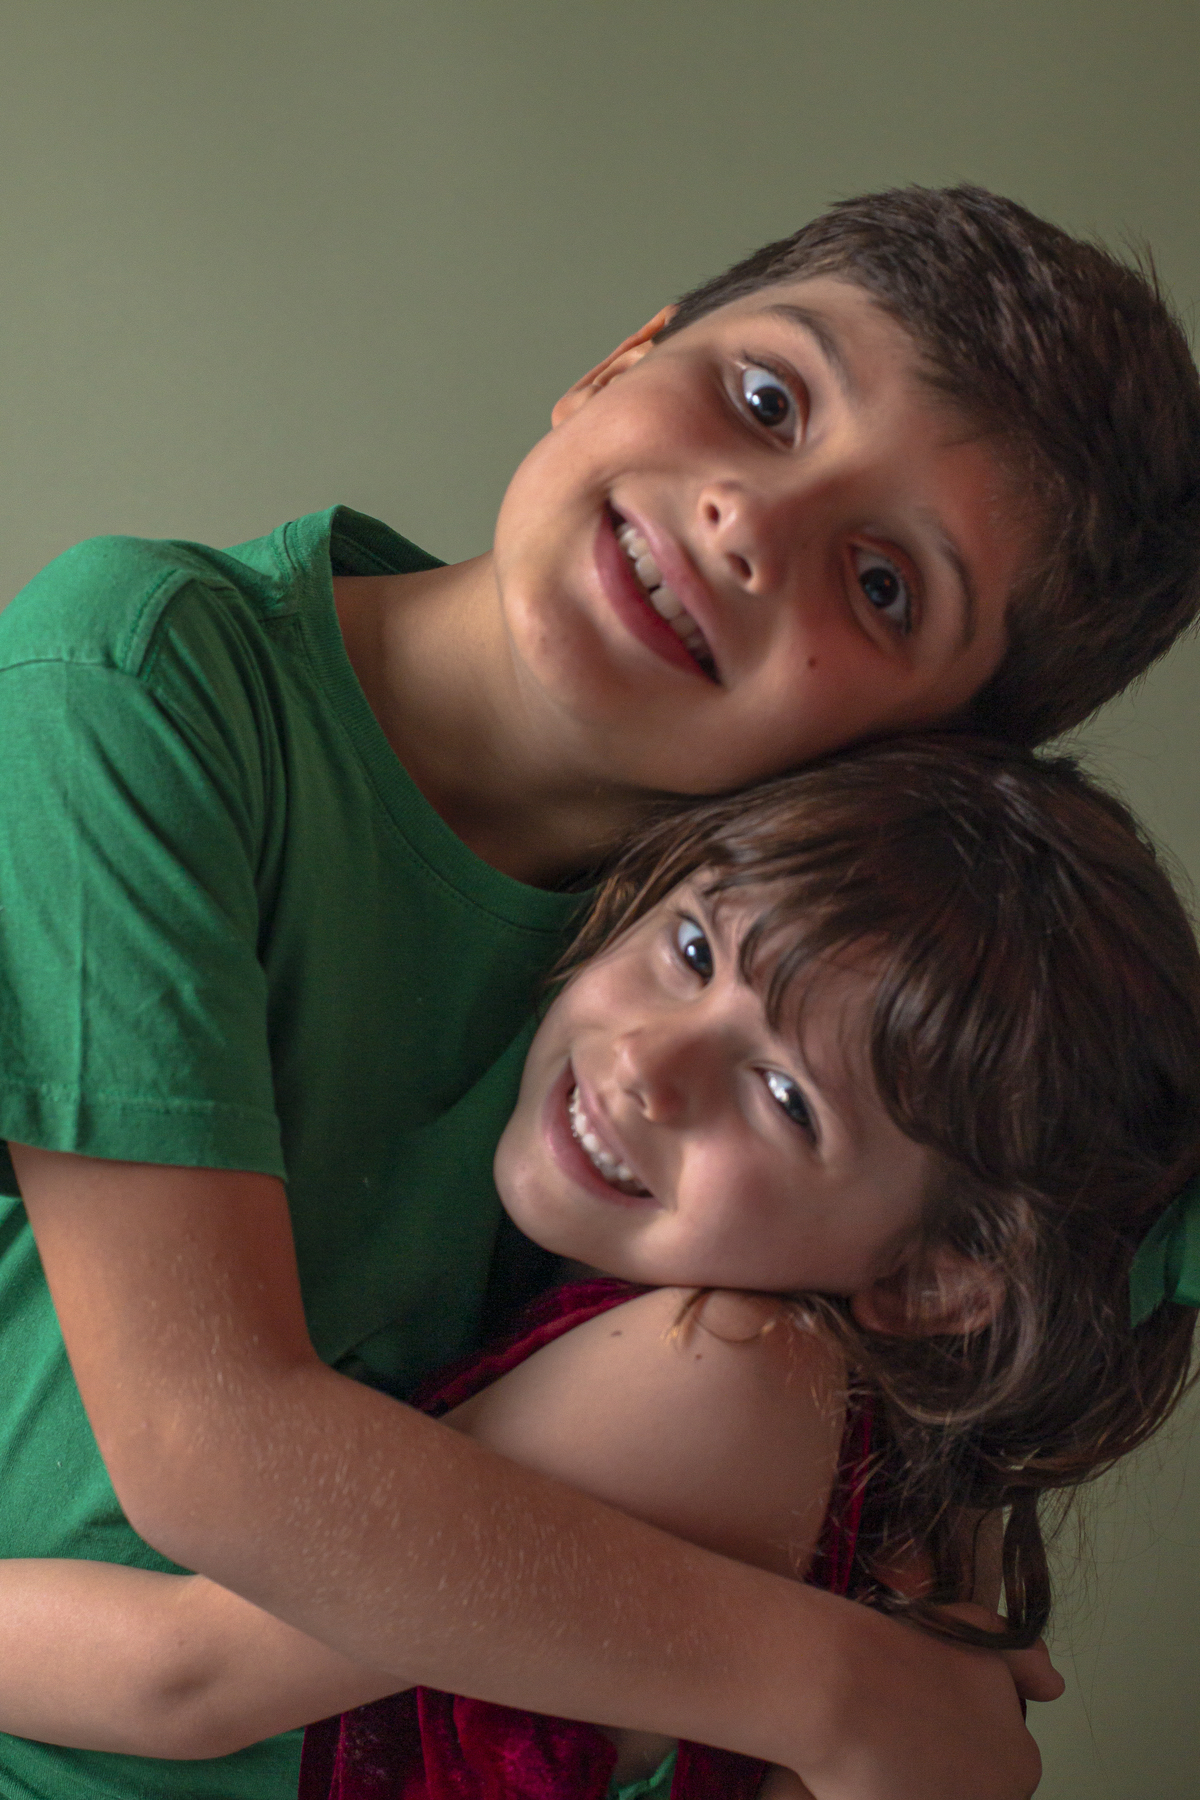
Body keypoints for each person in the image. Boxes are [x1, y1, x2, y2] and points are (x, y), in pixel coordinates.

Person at [1, 184, 1199, 1800]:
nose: (748, 524)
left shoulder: (744, 966)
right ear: (621, 359)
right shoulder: (141, 690)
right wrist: (836, 1686)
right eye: (767, 397)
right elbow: (209, 1451)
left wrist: (926, 1566)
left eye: (883, 586)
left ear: (916, 764)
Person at [0, 738, 1196, 1800]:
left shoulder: (725, 1374)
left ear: (936, 1284)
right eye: (694, 950)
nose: (646, 1067)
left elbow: (181, 1677)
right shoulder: (845, 1456)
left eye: (787, 1099)